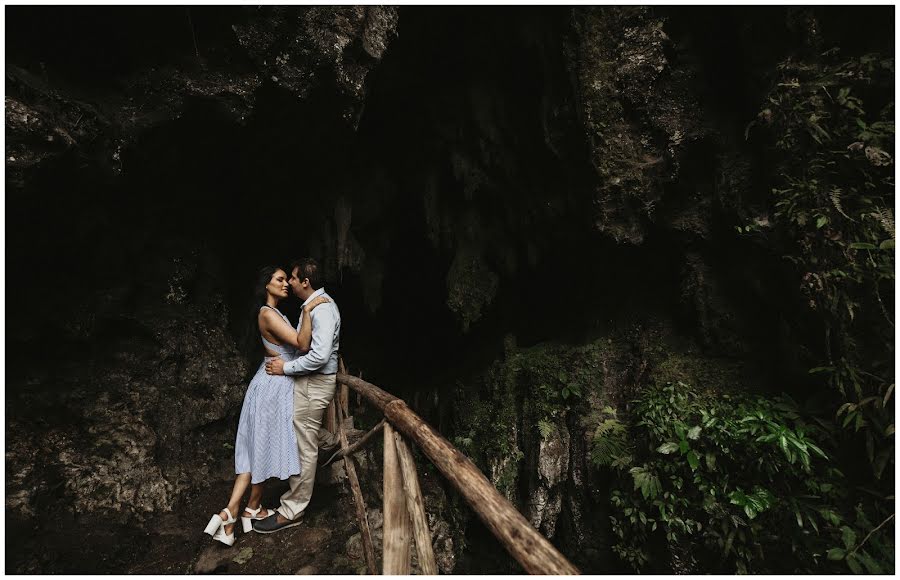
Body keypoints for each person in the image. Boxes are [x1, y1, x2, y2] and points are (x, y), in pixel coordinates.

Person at [203, 266, 329, 546]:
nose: (286, 284)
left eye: (287, 279)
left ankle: (242, 510)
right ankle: (237, 510)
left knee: (256, 447)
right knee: (258, 447)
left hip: (271, 381)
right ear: (266, 285)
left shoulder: (274, 313)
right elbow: (301, 344)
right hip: (274, 385)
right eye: (280, 279)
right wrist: (309, 310)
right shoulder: (268, 313)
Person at [253, 257, 341, 534]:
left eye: (292, 277)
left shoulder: (323, 310)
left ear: (305, 282)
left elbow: (319, 355)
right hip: (308, 381)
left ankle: (292, 511)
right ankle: (330, 445)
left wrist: (286, 368)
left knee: (303, 446)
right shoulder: (312, 306)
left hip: (314, 382)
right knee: (300, 432)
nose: (289, 282)